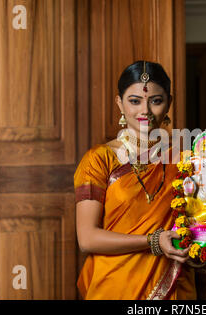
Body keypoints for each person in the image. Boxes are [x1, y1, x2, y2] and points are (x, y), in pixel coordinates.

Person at [74, 61, 197, 300]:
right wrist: (152, 241)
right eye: (134, 101)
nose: (145, 111)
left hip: (172, 285)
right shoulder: (99, 160)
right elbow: (87, 238)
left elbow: (198, 226)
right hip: (115, 287)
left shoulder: (186, 160)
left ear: (169, 103)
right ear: (119, 103)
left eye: (156, 101)